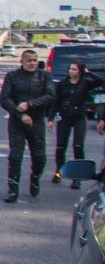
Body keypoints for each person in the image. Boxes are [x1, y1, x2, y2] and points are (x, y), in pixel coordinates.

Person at [0, 49, 56, 203]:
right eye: (29, 60)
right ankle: (13, 189)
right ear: (22, 62)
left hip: (37, 121)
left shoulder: (45, 76)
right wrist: (20, 114)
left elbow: (51, 96)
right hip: (18, 121)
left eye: (35, 60)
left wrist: (30, 104)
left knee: (39, 157)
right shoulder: (12, 76)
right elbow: (4, 99)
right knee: (15, 156)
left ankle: (35, 177)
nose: (32, 63)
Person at [48, 60, 103, 190]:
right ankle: (58, 172)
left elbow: (100, 81)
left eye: (74, 69)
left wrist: (88, 73)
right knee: (60, 147)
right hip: (64, 116)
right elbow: (56, 102)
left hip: (79, 117)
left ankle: (77, 178)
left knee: (78, 146)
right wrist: (50, 119)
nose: (71, 71)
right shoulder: (62, 84)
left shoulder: (85, 83)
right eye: (70, 69)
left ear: (80, 71)